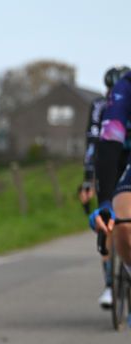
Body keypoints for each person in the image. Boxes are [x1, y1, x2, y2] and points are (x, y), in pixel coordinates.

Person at [81, 66, 129, 308]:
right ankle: (110, 284)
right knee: (113, 223)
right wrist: (93, 187)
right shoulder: (107, 102)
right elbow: (97, 145)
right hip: (116, 158)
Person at [91, 68, 131, 285]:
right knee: (123, 220)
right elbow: (108, 145)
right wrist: (104, 201)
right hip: (125, 157)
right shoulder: (125, 88)